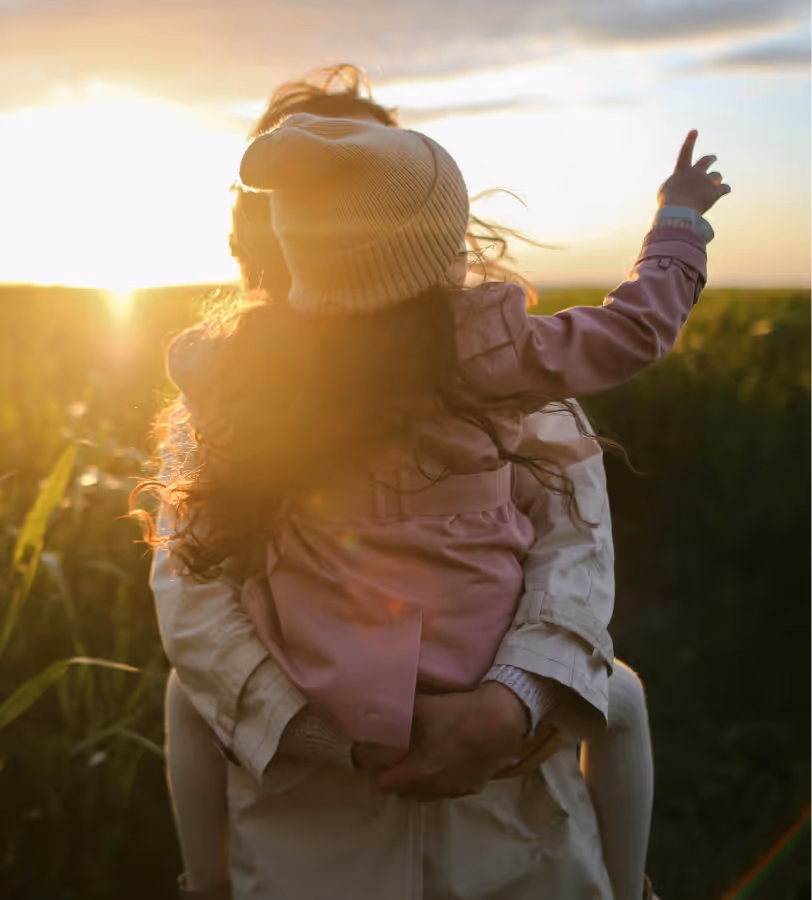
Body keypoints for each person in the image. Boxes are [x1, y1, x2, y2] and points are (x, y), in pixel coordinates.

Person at [145, 67, 729, 900]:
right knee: (622, 696)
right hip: (312, 822)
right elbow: (193, 599)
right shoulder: (499, 357)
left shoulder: (238, 376)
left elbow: (574, 547)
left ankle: (200, 886)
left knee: (184, 701)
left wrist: (508, 705)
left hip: (506, 815)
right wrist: (677, 223)